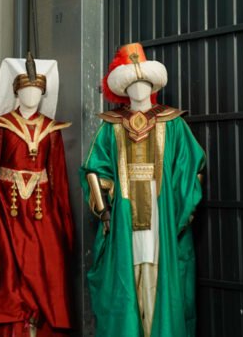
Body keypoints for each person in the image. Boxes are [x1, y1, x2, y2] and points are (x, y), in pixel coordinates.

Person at [80, 43, 204, 337]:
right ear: (124, 89)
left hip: (163, 214)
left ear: (152, 86)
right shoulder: (111, 127)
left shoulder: (173, 124)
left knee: (159, 274)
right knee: (128, 275)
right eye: (133, 84)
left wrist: (182, 211)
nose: (138, 89)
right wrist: (105, 210)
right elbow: (95, 171)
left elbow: (191, 169)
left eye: (143, 83)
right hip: (124, 215)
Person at [0, 54, 74, 336]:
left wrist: (62, 220)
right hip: (9, 211)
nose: (31, 95)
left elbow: (57, 176)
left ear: (43, 93)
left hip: (41, 211)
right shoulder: (1, 127)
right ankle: (12, 326)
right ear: (17, 92)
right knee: (10, 268)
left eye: (36, 91)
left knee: (43, 265)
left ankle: (38, 323)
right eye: (26, 90)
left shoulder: (52, 130)